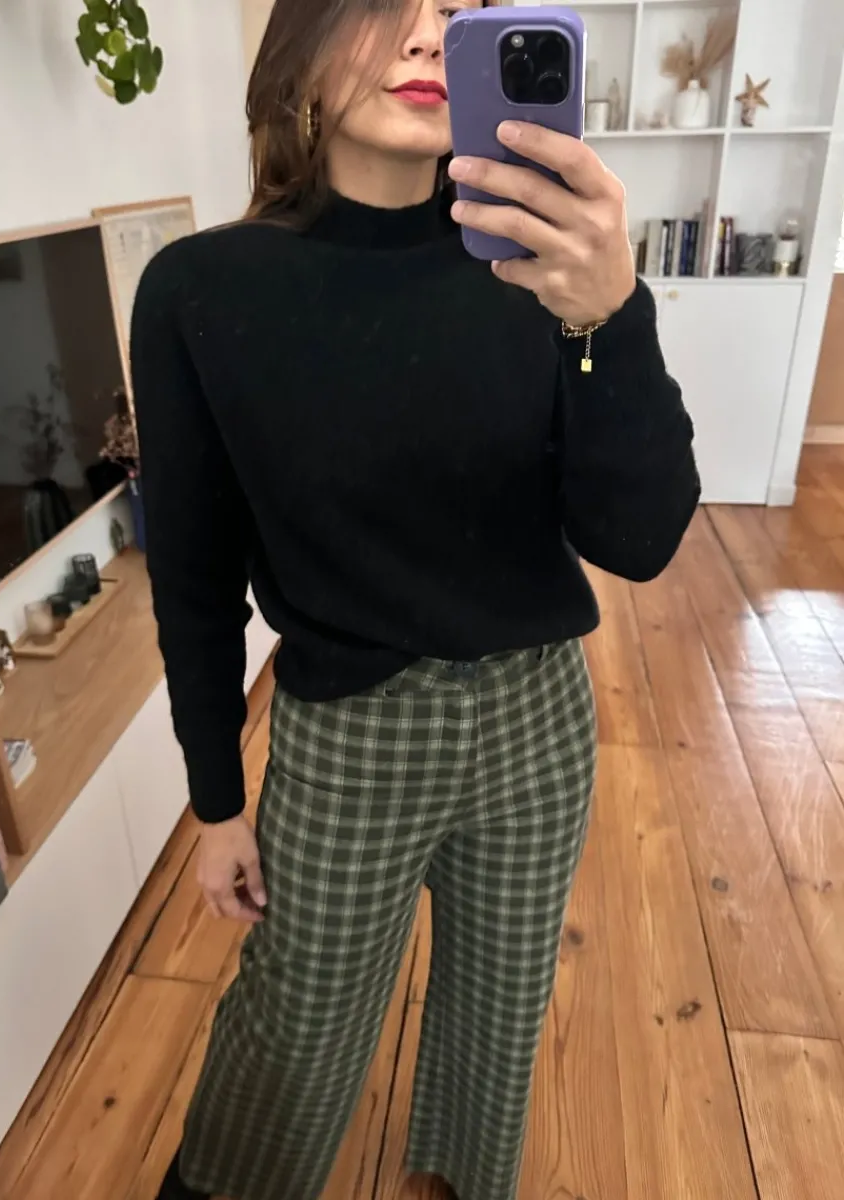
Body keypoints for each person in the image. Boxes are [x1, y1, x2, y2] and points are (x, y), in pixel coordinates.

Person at [133, 1, 700, 1197]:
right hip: (350, 735)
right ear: (302, 43)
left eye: (458, 9)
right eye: (390, 3)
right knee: (294, 1032)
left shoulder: (540, 268)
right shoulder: (202, 289)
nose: (432, 35)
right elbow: (191, 572)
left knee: (502, 1013)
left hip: (539, 723)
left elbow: (639, 540)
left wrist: (609, 313)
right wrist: (216, 801)